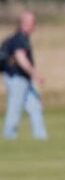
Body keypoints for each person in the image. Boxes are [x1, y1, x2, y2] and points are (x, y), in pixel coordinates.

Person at [3, 9, 47, 140]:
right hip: (17, 78)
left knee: (35, 106)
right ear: (26, 23)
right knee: (15, 108)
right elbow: (20, 57)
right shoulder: (20, 38)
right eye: (34, 21)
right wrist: (35, 74)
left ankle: (41, 138)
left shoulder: (21, 37)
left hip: (23, 79)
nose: (35, 24)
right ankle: (9, 137)